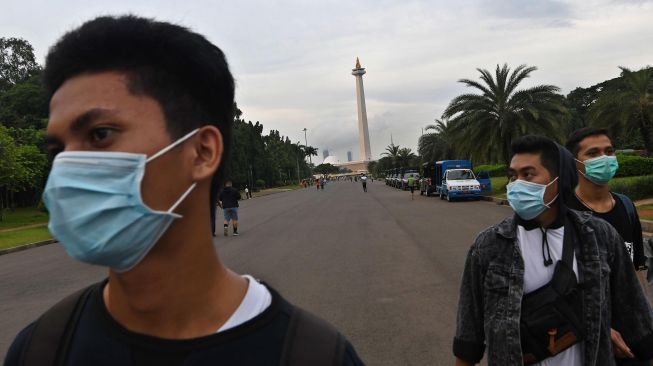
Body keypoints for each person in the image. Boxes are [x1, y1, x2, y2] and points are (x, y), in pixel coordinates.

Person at [5, 15, 363, 366]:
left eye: (100, 134)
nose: (68, 168)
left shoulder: (313, 355)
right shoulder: (42, 349)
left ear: (202, 152)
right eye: (57, 151)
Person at [453, 135, 653, 366]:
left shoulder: (600, 236)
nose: (516, 184)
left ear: (560, 180)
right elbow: (469, 335)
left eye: (527, 174)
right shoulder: (488, 245)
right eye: (512, 176)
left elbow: (635, 316)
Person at [566, 127, 652, 364]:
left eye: (609, 151)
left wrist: (645, 320)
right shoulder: (563, 214)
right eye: (593, 153)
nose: (604, 158)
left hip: (630, 337)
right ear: (575, 163)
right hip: (582, 339)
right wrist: (599, 328)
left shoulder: (626, 206)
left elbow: (636, 270)